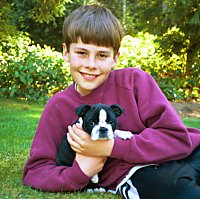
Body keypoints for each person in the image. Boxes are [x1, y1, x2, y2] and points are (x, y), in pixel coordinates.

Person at [23, 4, 200, 199]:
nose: (91, 64)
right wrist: (80, 173)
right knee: (184, 193)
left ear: (115, 58)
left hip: (192, 152)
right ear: (66, 52)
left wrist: (110, 147)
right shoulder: (58, 106)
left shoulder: (135, 81)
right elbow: (35, 172)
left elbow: (177, 138)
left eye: (102, 55)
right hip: (142, 172)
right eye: (82, 53)